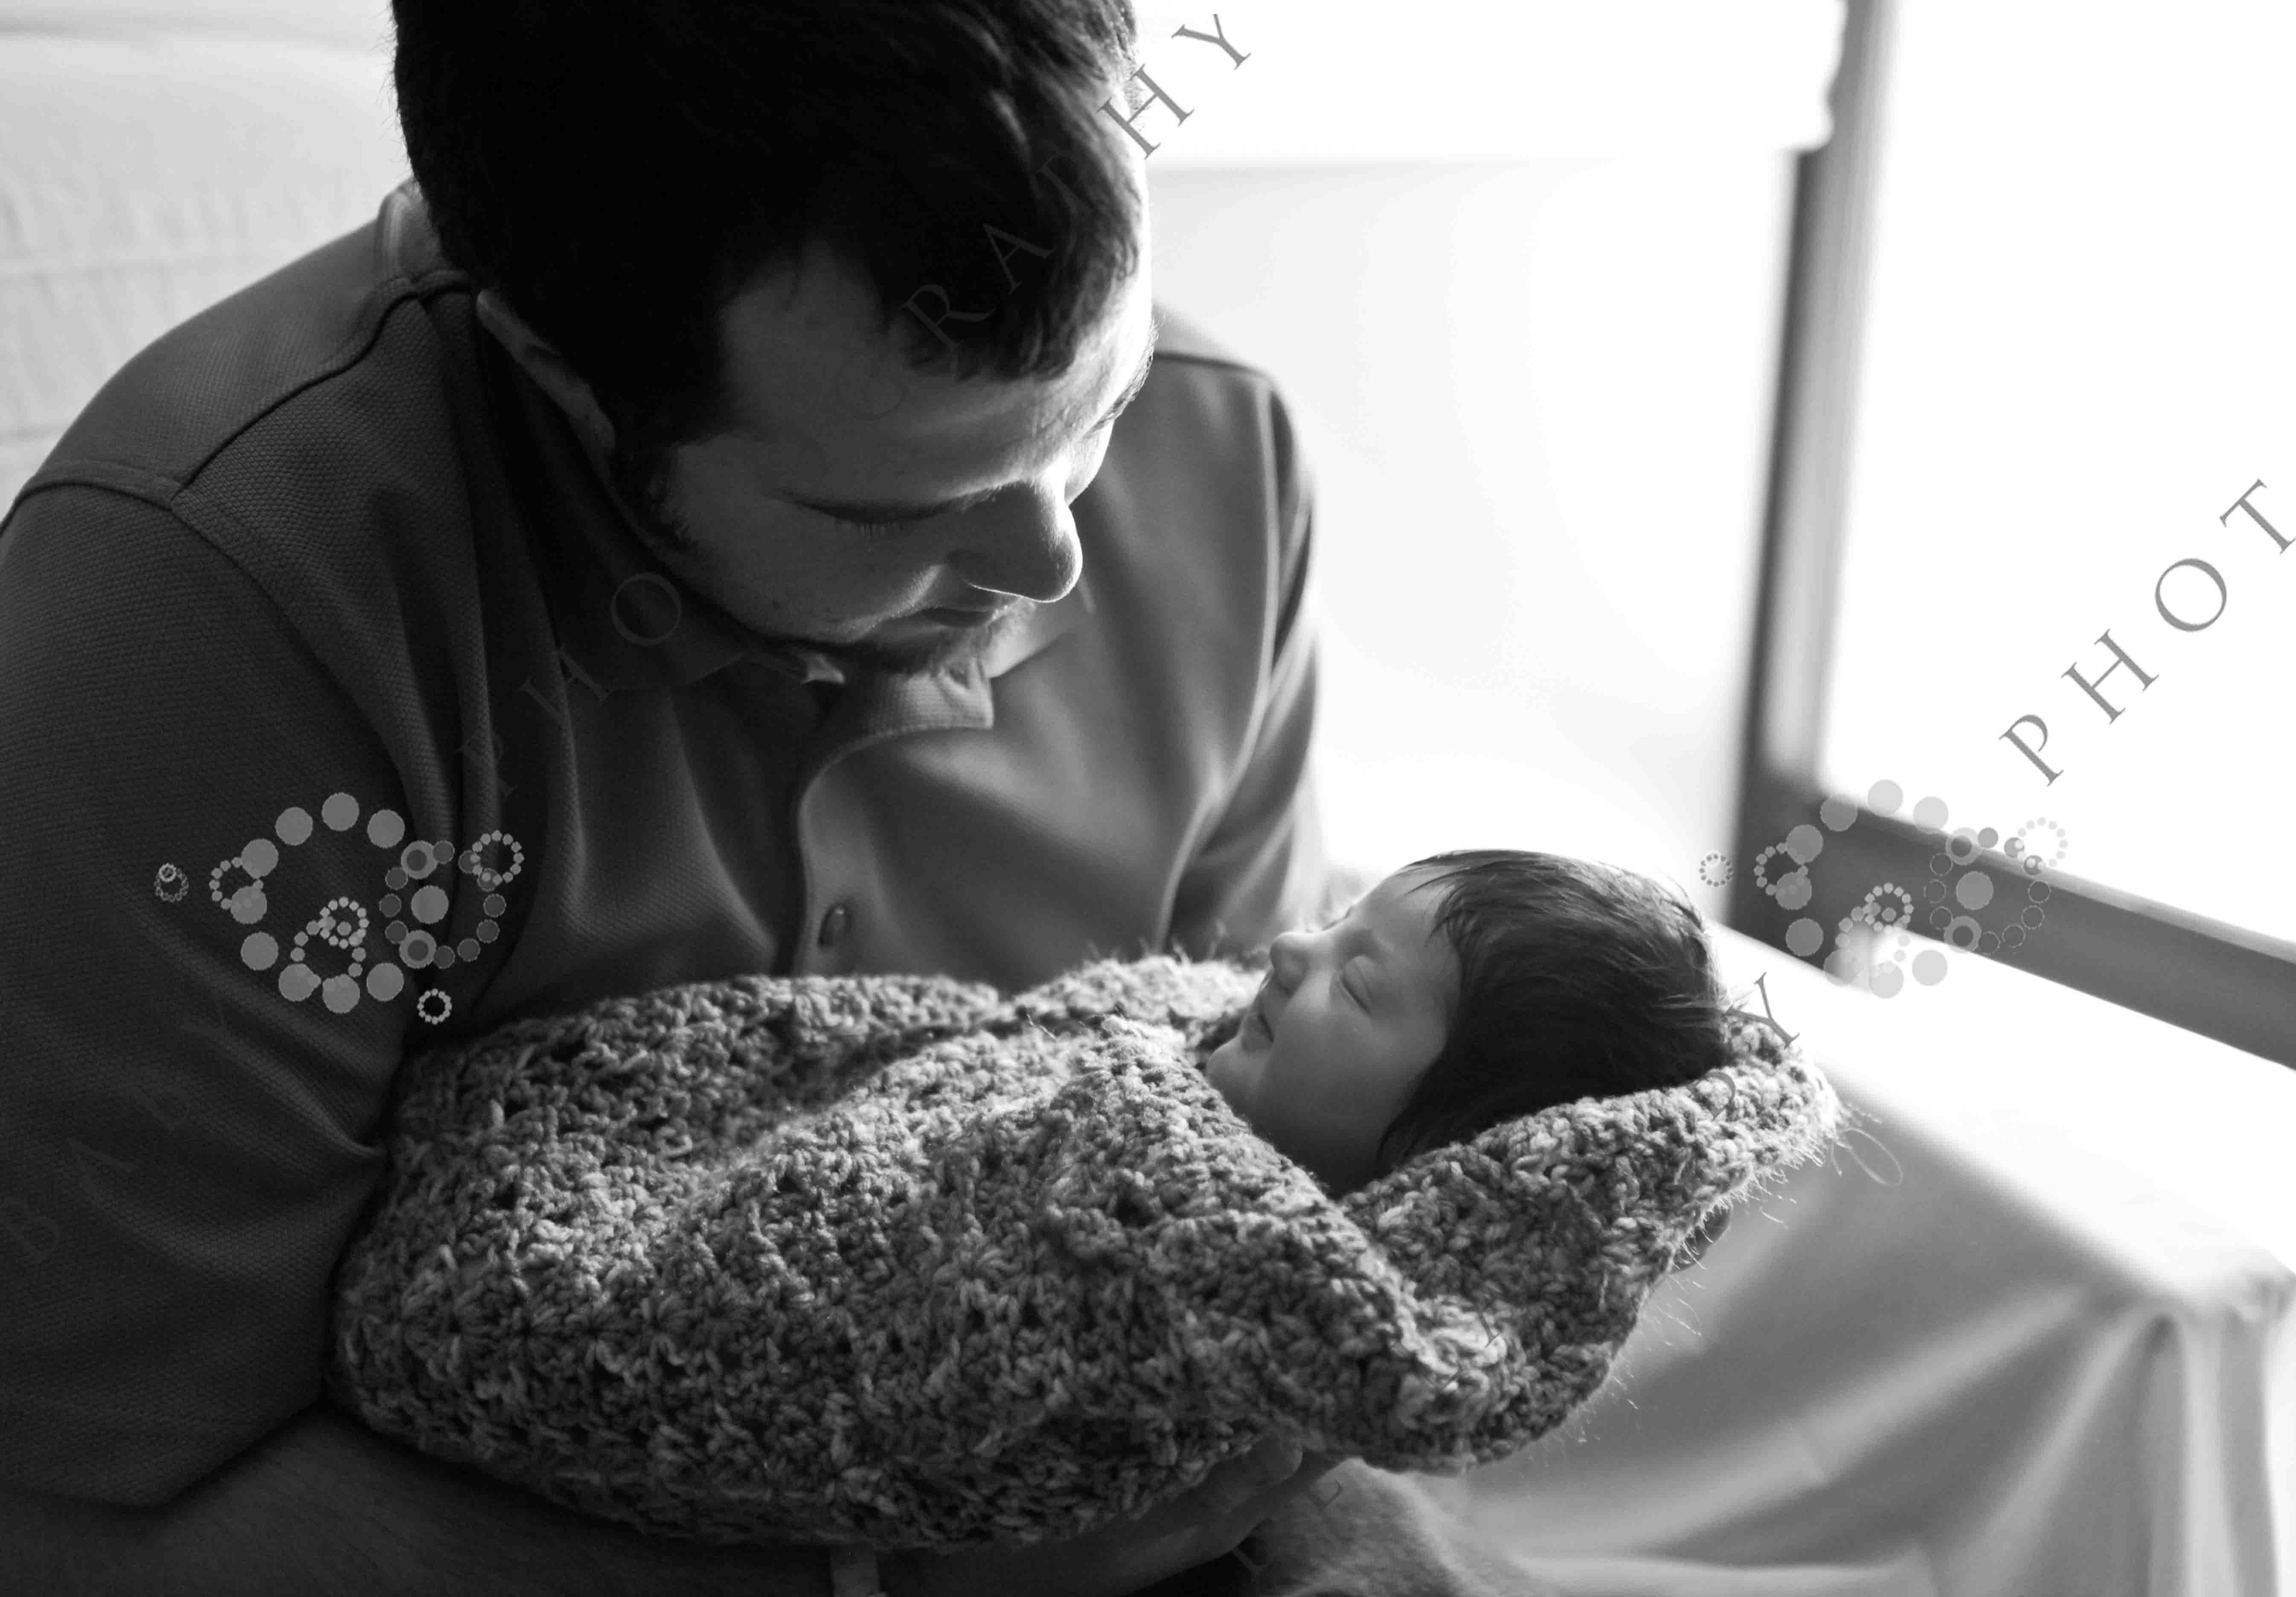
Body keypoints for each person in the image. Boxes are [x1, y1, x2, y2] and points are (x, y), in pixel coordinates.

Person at [0, 2, 1465, 1593]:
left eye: (1097, 412)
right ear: (564, 379)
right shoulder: (216, 621)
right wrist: (892, 1585)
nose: (1054, 558)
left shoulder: (1224, 449)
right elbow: (99, 1505)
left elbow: (1283, 1160)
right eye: (891, 511)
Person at [1205, 850, 1733, 1201]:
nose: (1288, 946)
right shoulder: (1187, 1017)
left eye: (1353, 984)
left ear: (1437, 1153)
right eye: (1335, 923)